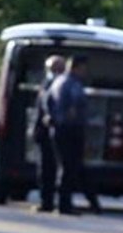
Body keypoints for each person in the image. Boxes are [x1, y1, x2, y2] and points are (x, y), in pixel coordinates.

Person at [47, 55, 101, 215]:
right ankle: (65, 205)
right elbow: (74, 107)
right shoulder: (72, 85)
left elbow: (47, 101)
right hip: (70, 130)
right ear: (77, 67)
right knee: (69, 168)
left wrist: (52, 117)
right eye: (83, 68)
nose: (85, 72)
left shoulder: (57, 82)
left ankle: (69, 202)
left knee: (68, 167)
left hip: (58, 129)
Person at [33, 55, 67, 212]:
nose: (53, 71)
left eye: (57, 68)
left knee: (53, 168)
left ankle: (52, 201)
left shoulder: (61, 85)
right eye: (52, 68)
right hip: (44, 131)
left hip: (56, 132)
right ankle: (47, 200)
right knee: (45, 169)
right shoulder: (47, 83)